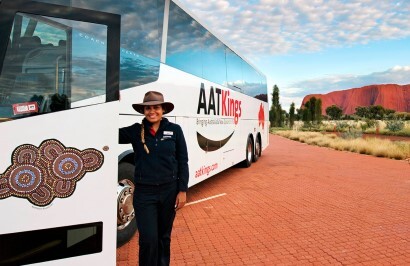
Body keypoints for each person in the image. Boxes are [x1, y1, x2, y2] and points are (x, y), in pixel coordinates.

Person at [119, 91, 189, 266]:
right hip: (144, 194)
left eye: (156, 107)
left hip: (169, 191)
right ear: (143, 111)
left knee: (163, 237)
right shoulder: (136, 131)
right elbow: (108, 132)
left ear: (163, 109)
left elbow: (183, 160)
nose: (152, 111)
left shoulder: (175, 130)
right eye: (148, 108)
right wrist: (112, 106)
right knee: (149, 239)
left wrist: (182, 190)